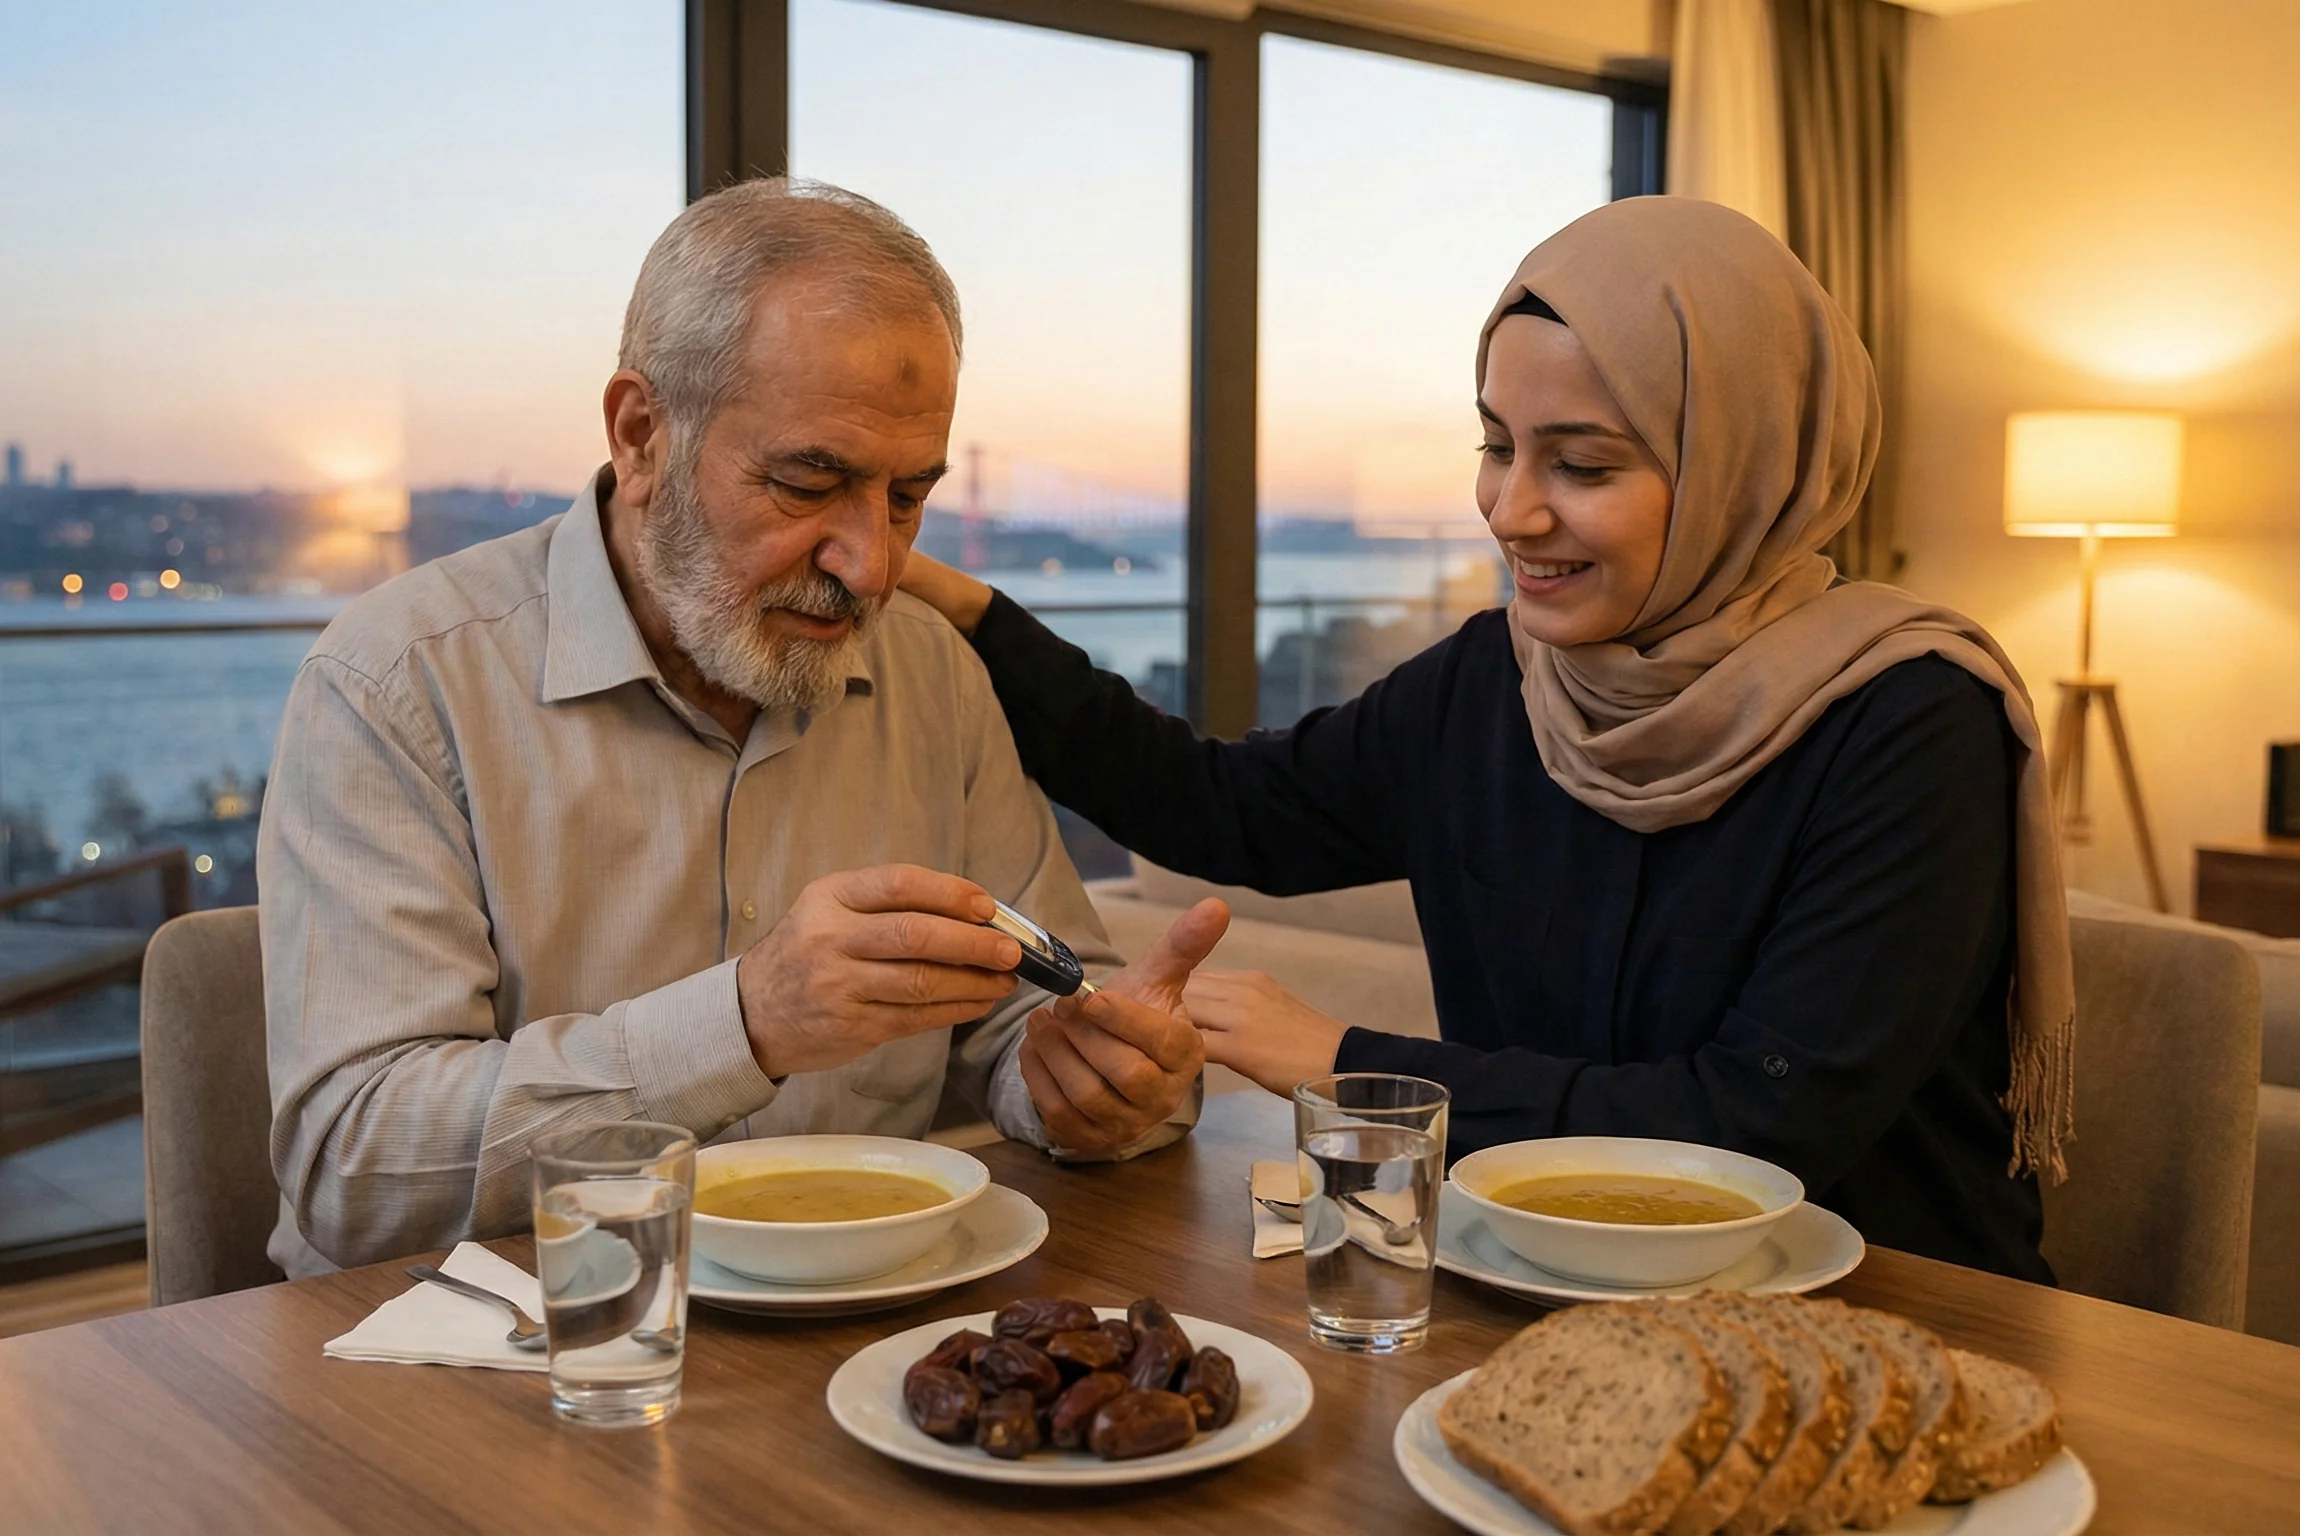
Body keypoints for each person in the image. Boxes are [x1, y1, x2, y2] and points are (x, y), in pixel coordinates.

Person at [897, 197, 2074, 1282]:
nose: (1511, 512)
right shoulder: (1493, 681)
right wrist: (970, 611)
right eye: (1496, 446)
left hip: (1886, 1309)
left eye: (1583, 464)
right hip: (1542, 1285)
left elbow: (1754, 1126)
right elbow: (1215, 806)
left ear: (1741, 466)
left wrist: (1345, 1061)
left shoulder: (1912, 723)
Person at [260, 178, 1226, 1275]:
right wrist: (748, 1022)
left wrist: (1086, 1081)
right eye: (807, 485)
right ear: (640, 436)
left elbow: (1028, 1024)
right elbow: (356, 1176)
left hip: (856, 1327)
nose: (872, 566)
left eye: (907, 498)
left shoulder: (933, 674)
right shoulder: (396, 682)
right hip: (497, 1341)